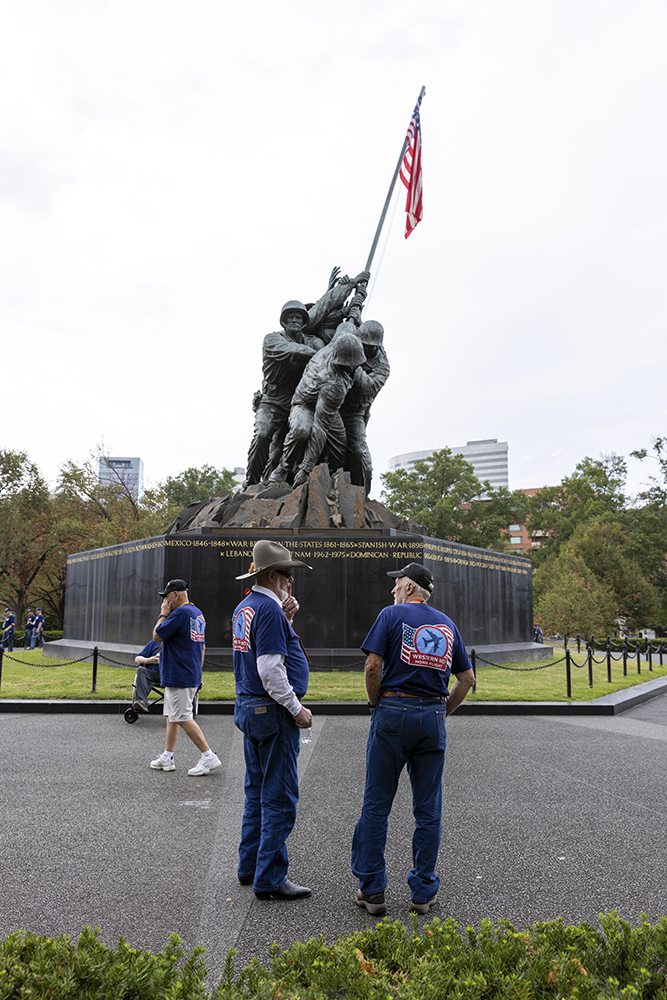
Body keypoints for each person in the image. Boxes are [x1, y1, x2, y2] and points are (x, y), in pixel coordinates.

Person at [351, 563, 475, 916]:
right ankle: (423, 892)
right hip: (432, 717)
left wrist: (375, 703)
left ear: (408, 588)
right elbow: (466, 679)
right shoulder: (447, 625)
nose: (392, 590)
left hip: (392, 712)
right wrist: (442, 712)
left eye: (396, 585)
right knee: (428, 808)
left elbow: (372, 667)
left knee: (376, 804)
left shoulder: (390, 616)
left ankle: (372, 889)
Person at [232, 540, 313, 900]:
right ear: (270, 575)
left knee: (256, 792)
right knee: (279, 797)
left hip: (249, 706)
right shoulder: (268, 610)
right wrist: (296, 709)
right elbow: (269, 668)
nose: (290, 581)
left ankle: (249, 867)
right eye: (286, 573)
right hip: (272, 709)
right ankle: (270, 878)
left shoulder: (246, 606)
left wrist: (288, 617)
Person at [244, 270, 369, 487]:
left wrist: (350, 301)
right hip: (273, 400)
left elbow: (325, 315)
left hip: (302, 399)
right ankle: (251, 484)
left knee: (306, 438)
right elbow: (295, 350)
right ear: (283, 321)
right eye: (290, 317)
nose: (294, 320)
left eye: (299, 317)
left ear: (304, 322)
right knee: (263, 436)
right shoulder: (273, 340)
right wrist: (326, 353)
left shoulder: (315, 342)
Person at [269, 328, 366, 488]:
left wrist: (354, 310)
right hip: (305, 404)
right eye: (350, 364)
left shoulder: (338, 340)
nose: (353, 367)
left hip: (328, 408)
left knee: (340, 450)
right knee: (301, 431)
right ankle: (282, 469)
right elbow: (319, 428)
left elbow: (348, 324)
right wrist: (306, 469)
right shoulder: (334, 385)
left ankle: (333, 487)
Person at [149, 579, 221, 777]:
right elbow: (202, 647)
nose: (165, 600)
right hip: (188, 672)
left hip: (179, 674)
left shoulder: (179, 613)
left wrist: (163, 613)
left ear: (175, 595)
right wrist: (198, 674)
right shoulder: (197, 613)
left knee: (182, 717)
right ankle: (167, 757)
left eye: (166, 597)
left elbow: (156, 636)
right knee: (172, 716)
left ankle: (208, 755)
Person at [339, 320, 390, 494]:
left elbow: (368, 387)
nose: (365, 349)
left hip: (355, 412)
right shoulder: (354, 339)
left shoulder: (382, 367)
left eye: (370, 347)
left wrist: (353, 362)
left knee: (360, 453)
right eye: (363, 345)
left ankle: (361, 497)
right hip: (333, 404)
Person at [133, 638, 162, 713]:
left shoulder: (177, 643)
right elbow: (137, 658)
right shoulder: (154, 643)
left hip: (173, 676)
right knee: (141, 670)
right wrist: (148, 660)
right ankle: (141, 702)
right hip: (156, 674)